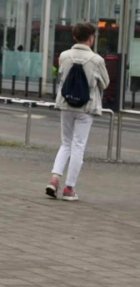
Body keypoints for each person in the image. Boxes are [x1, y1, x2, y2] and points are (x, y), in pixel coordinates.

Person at [46, 22, 109, 202]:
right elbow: (105, 83)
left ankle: (54, 179)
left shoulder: (64, 56)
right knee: (78, 146)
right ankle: (69, 188)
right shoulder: (97, 60)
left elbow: (61, 77)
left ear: (74, 36)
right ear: (91, 38)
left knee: (65, 143)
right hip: (85, 108)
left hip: (66, 104)